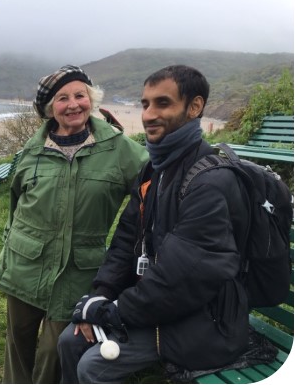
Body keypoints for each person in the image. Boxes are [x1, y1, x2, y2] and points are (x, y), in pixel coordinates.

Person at [56, 65, 250, 383]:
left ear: (195, 107)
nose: (148, 115)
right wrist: (101, 294)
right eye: (145, 104)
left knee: (91, 367)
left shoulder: (209, 182)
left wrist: (114, 312)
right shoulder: (155, 170)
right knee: (68, 341)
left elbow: (183, 278)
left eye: (163, 103)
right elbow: (125, 240)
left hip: (205, 320)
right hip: (158, 305)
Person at [0, 66, 146, 383]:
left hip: (78, 271)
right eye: (63, 98)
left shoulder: (120, 150)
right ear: (51, 109)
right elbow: (16, 205)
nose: (73, 104)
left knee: (53, 351)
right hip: (25, 263)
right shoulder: (31, 151)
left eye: (80, 95)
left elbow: (155, 185)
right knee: (17, 344)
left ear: (91, 99)